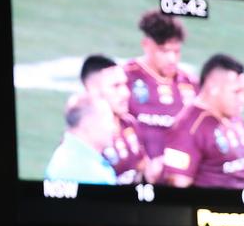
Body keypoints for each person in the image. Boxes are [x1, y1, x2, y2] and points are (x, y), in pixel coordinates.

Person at [124, 11, 198, 182]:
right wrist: (142, 166)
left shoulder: (189, 84)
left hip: (179, 180)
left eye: (176, 51)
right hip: (136, 179)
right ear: (146, 45)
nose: (172, 59)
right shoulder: (125, 78)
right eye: (164, 51)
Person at [162, 54, 244, 189]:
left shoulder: (235, 119)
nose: (243, 99)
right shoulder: (188, 127)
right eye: (236, 92)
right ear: (213, 87)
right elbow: (178, 184)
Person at [80, 55, 147, 185]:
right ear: (93, 90)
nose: (126, 93)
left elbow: (141, 169)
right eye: (116, 86)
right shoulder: (83, 137)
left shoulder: (129, 124)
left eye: (125, 84)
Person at [45, 94, 117, 185]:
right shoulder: (93, 175)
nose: (114, 128)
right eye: (109, 121)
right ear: (89, 124)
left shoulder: (65, 154)